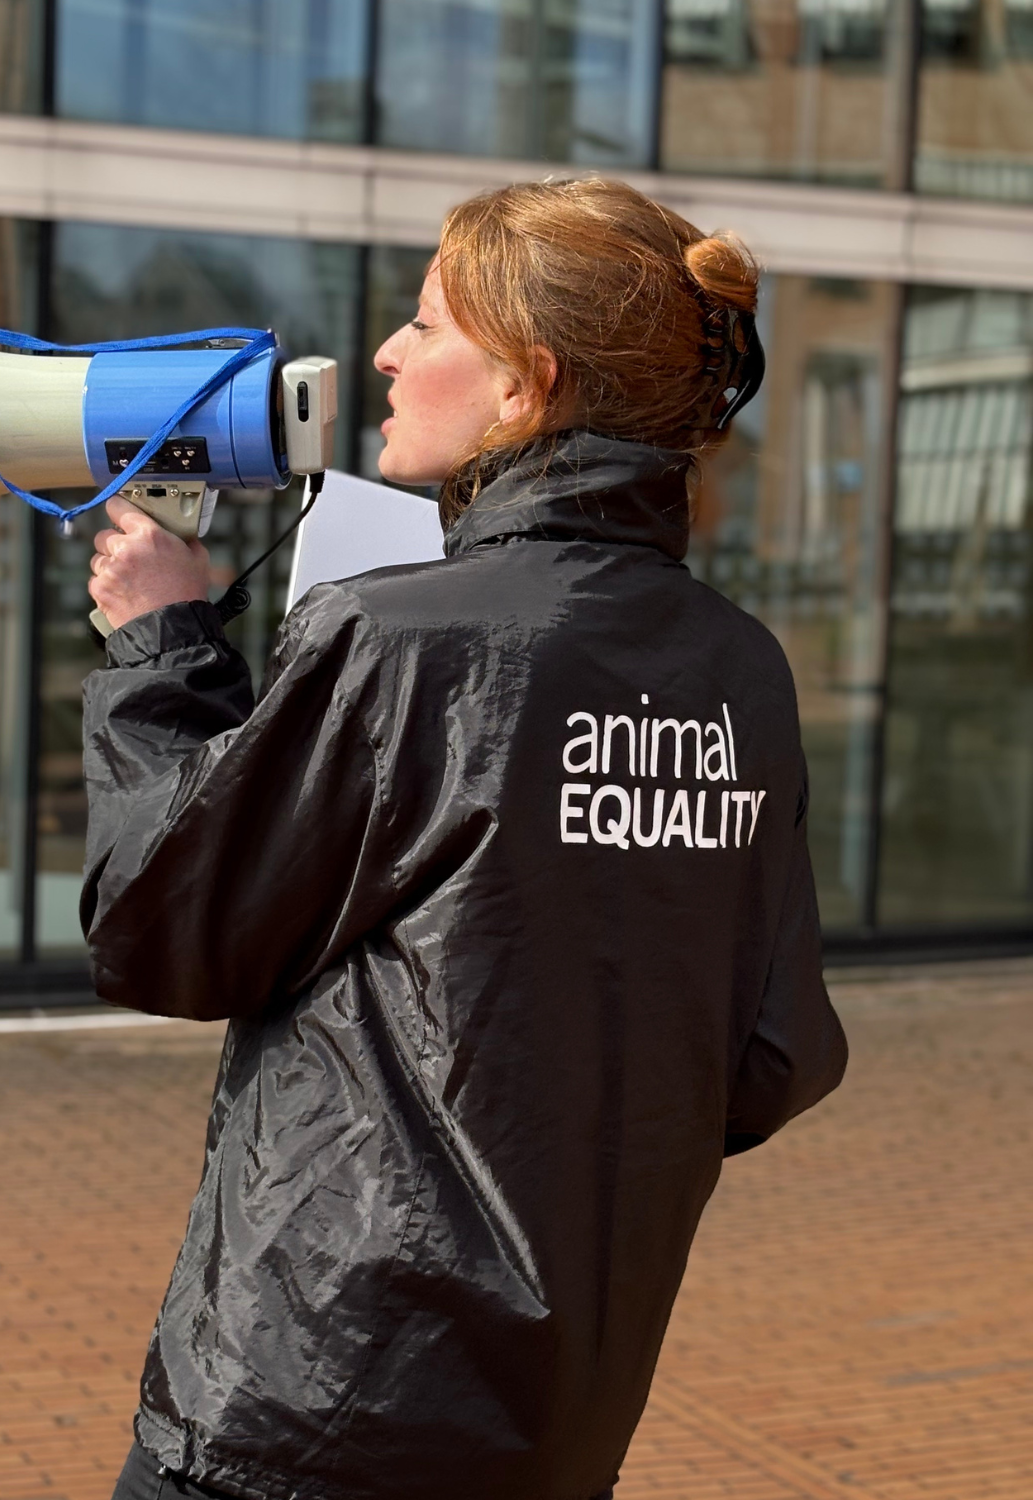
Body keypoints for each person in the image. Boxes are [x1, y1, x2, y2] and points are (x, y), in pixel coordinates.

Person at [81, 177, 848, 1500]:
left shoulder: (405, 639)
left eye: (429, 324)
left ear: (524, 387)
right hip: (555, 1430)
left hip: (307, 1408)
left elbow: (160, 926)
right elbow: (773, 1057)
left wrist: (161, 645)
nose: (385, 353)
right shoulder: (741, 670)